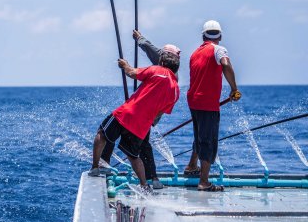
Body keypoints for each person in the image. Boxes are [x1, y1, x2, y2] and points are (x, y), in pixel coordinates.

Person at [100, 30, 181, 189]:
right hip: (149, 114)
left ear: (166, 57)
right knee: (144, 143)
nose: (159, 56)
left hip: (142, 113)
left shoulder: (162, 67)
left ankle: (104, 163)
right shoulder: (172, 73)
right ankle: (153, 178)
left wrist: (139, 39)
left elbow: (147, 55)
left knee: (111, 131)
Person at [184, 20, 241, 191]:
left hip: (193, 101)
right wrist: (234, 89)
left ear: (203, 36)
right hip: (207, 103)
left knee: (200, 134)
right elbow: (225, 64)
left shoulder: (194, 53)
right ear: (220, 36)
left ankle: (192, 165)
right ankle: (204, 182)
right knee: (208, 140)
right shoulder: (219, 50)